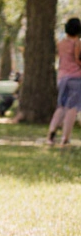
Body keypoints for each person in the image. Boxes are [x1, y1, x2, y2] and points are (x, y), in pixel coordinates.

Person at [47, 17, 81, 145]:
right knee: (72, 108)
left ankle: (51, 132)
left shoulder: (60, 43)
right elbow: (78, 60)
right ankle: (65, 137)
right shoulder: (78, 43)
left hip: (62, 77)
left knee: (61, 106)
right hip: (76, 78)